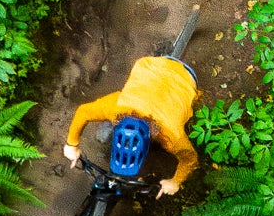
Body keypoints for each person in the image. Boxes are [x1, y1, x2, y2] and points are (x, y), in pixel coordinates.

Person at [64, 53, 199, 196]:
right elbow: (83, 111)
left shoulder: (173, 136)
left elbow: (190, 158)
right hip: (154, 66)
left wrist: (176, 181)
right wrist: (71, 144)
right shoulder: (116, 105)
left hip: (185, 78)